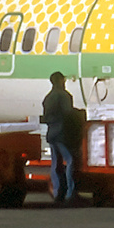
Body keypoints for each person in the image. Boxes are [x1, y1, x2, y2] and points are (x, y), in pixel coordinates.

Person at [41, 72, 78, 205]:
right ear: (61, 81)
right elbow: (69, 113)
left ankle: (57, 192)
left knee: (55, 163)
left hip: (51, 133)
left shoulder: (48, 97)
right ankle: (70, 192)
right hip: (62, 132)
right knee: (69, 160)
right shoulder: (64, 95)